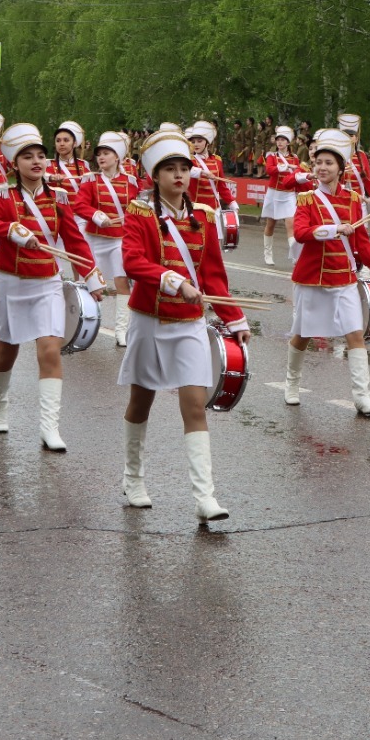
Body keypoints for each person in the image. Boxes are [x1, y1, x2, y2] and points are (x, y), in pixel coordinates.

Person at [118, 128, 250, 520]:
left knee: (195, 405)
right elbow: (132, 261)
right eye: (169, 169)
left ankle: (204, 497)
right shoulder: (139, 213)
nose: (179, 175)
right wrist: (172, 280)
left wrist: (234, 319)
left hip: (190, 324)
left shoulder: (204, 218)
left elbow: (213, 275)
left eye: (184, 168)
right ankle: (133, 478)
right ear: (154, 176)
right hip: (148, 321)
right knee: (141, 402)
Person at [0, 124, 103, 451]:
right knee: (7, 352)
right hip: (10, 284)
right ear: (15, 164)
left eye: (40, 156)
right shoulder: (3, 196)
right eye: (27, 156)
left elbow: (74, 241)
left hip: (47, 283)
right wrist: (9, 230)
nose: (36, 161)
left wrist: (91, 277)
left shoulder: (59, 198)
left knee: (49, 350)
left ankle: (49, 428)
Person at [283, 128, 370, 415]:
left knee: (355, 335)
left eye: (329, 163)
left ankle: (362, 398)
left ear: (340, 168)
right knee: (303, 334)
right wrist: (332, 229)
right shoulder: (306, 199)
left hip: (344, 277)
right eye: (319, 163)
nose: (323, 167)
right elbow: (301, 233)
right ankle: (292, 383)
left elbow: (361, 240)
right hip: (312, 278)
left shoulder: (354, 200)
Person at [75, 131, 139, 348]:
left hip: (118, 241)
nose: (101, 158)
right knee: (90, 283)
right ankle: (80, 323)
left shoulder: (131, 182)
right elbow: (80, 205)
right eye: (99, 154)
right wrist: (96, 215)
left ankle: (121, 331)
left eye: (106, 153)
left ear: (117, 157)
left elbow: (136, 208)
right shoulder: (90, 180)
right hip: (94, 239)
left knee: (122, 282)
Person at [185, 121, 238, 248]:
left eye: (199, 141)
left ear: (207, 143)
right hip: (196, 208)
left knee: (214, 246)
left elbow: (221, 186)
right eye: (193, 141)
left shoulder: (217, 160)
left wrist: (231, 202)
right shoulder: (188, 159)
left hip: (213, 209)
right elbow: (187, 171)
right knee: (197, 245)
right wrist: (202, 172)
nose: (196, 144)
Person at [262, 125, 304, 267]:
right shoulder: (271, 156)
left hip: (289, 195)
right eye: (278, 139)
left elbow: (298, 173)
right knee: (270, 225)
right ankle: (268, 254)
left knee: (291, 226)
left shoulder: (295, 158)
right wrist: (279, 168)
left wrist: (295, 169)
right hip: (274, 193)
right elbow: (269, 170)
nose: (279, 142)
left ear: (288, 142)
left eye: (283, 140)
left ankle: (295, 256)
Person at [48, 121, 90, 193]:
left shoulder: (83, 165)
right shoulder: (48, 164)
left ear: (74, 143)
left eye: (66, 140)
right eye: (58, 141)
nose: (61, 144)